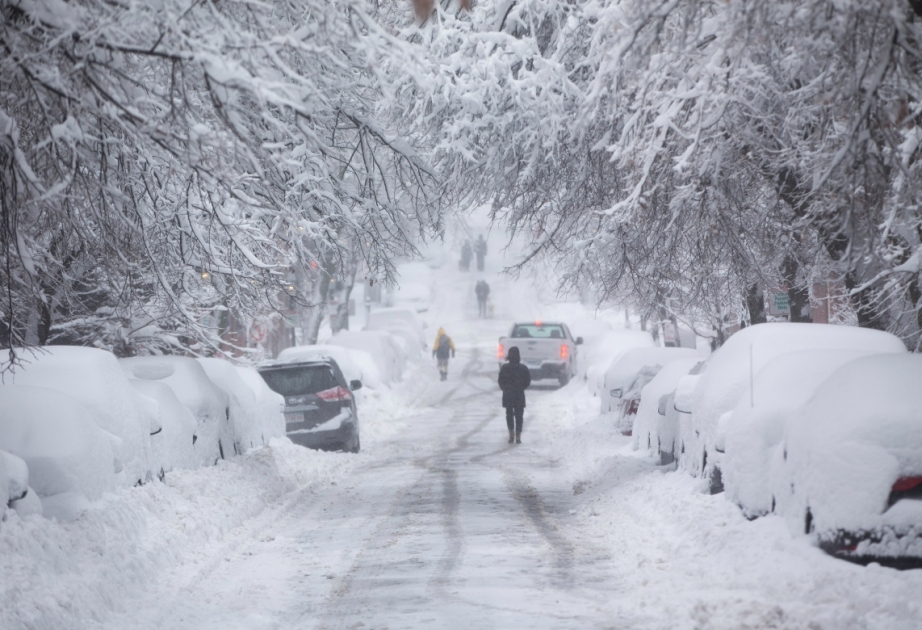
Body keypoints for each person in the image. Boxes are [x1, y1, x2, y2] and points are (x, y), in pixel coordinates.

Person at [498, 346, 531, 444]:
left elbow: (500, 381)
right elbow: (527, 381)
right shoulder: (523, 368)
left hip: (508, 394)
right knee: (519, 415)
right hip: (519, 394)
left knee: (509, 414)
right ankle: (518, 435)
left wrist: (505, 389)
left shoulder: (505, 368)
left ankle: (511, 433)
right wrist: (520, 388)